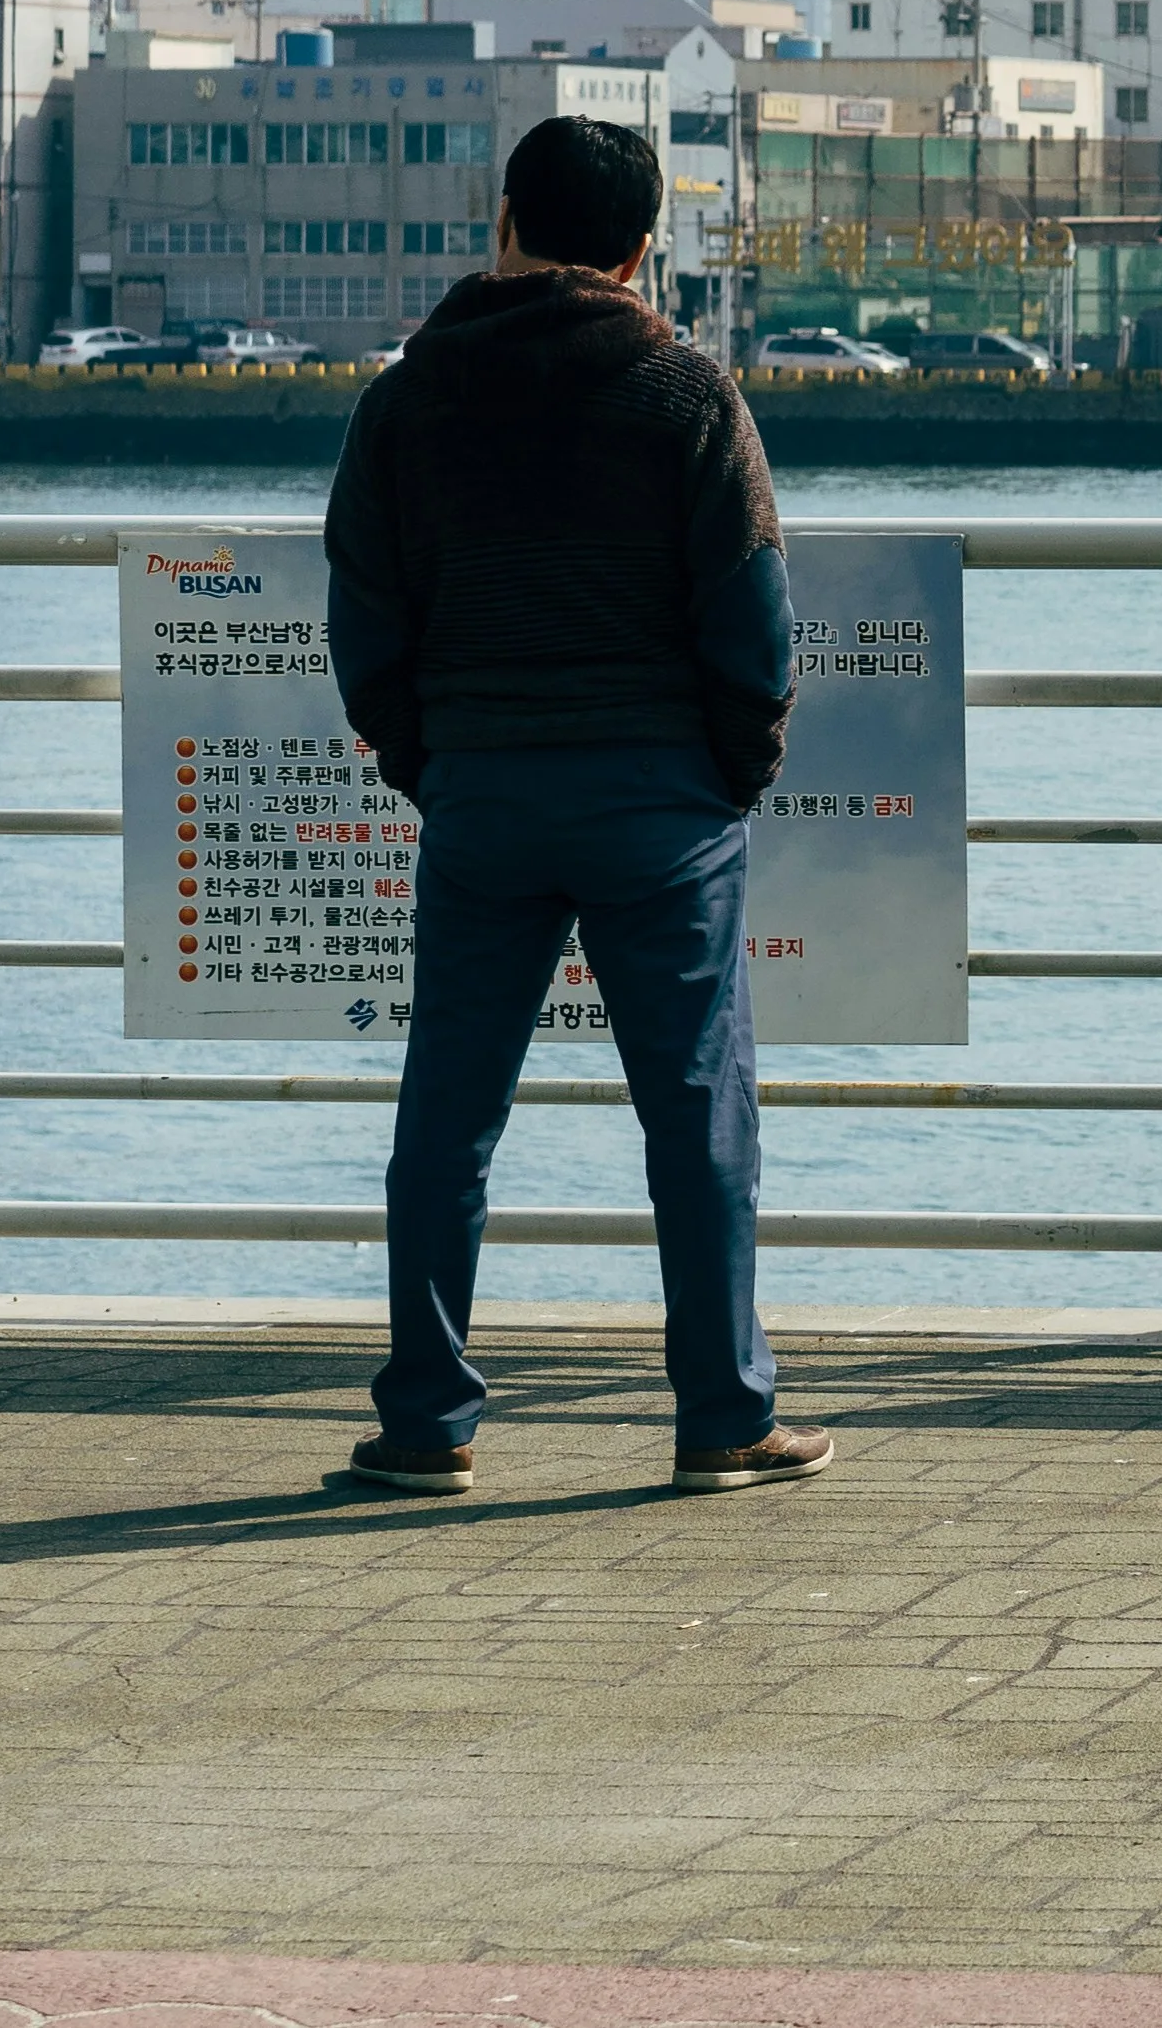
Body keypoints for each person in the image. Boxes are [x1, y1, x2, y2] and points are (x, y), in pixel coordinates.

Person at [321, 111, 832, 1498]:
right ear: (644, 248)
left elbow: (363, 628)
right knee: (696, 1114)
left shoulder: (406, 401)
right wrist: (725, 775)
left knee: (448, 1117)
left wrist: (445, 763)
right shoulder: (685, 392)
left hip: (484, 793)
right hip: (660, 806)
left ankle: (428, 1422)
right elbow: (757, 631)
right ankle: (724, 1415)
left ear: (503, 222)